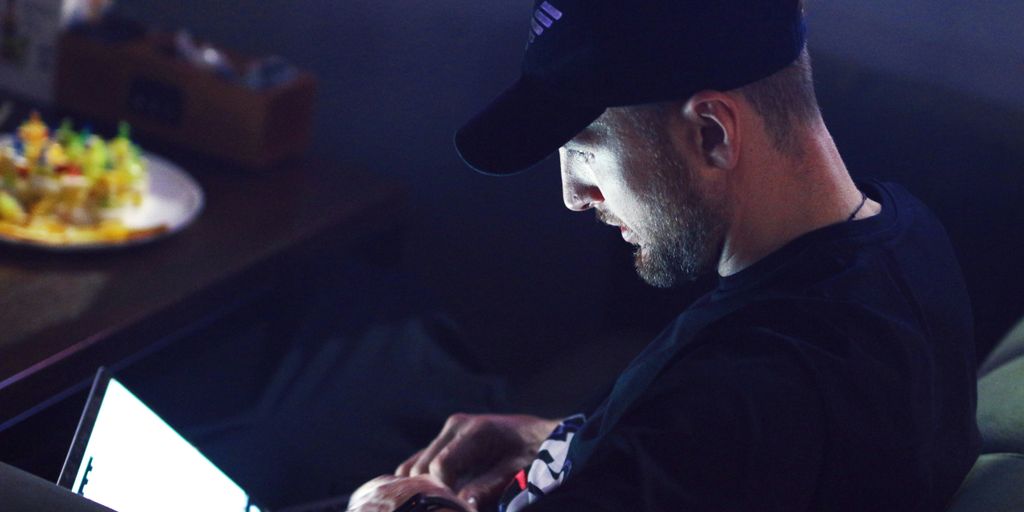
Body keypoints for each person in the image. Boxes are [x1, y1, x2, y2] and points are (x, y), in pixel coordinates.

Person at [349, 1, 979, 510]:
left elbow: (727, 433)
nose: (573, 195)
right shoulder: (902, 233)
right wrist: (572, 437)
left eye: (586, 147)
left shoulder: (743, 396)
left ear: (712, 133)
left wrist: (405, 507)